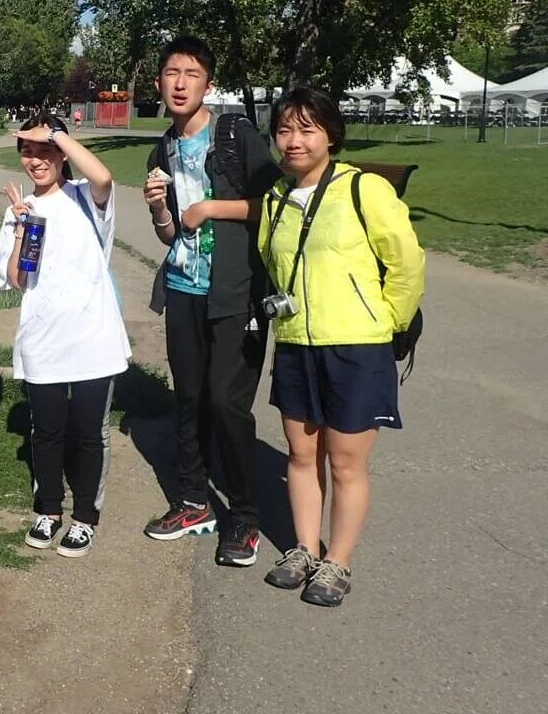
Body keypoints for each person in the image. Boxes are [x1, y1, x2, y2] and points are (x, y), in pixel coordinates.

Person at [258, 87, 423, 607]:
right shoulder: (274, 198)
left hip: (357, 346)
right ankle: (304, 549)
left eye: (307, 129)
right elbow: (272, 260)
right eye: (284, 130)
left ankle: (338, 561)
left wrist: (387, 321)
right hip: (295, 344)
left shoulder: (364, 190)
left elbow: (406, 263)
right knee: (302, 455)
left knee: (347, 463)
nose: (294, 140)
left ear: (331, 134)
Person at [141, 35, 282, 567]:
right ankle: (194, 502)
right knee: (190, 399)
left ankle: (245, 518)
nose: (180, 83)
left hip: (235, 292)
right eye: (171, 73)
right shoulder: (163, 148)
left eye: (192, 74)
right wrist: (160, 211)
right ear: (159, 81)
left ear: (208, 83)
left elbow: (272, 204)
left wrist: (211, 208)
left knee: (226, 403)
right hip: (182, 290)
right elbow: (169, 234)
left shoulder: (234, 133)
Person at [0, 114, 131, 558]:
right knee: (47, 432)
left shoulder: (84, 199)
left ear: (62, 151)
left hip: (93, 338)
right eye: (28, 151)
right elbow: (18, 279)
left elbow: (103, 175)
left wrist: (53, 134)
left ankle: (85, 519)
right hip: (43, 340)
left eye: (45, 150)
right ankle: (48, 511)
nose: (36, 160)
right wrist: (20, 228)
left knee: (89, 433)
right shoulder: (19, 209)